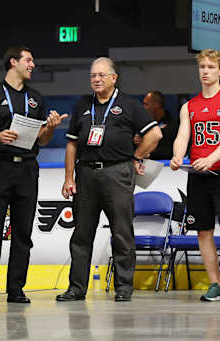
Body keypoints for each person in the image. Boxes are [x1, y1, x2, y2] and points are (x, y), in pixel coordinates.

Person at [56, 57, 162, 303]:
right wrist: (68, 177)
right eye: (93, 75)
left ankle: (123, 287)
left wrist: (136, 157)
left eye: (102, 75)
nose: (96, 79)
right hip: (86, 175)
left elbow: (155, 134)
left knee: (122, 233)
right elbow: (72, 143)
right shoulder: (82, 105)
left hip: (118, 173)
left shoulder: (129, 104)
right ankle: (76, 288)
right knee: (81, 234)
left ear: (114, 78)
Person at [0, 46, 67, 304]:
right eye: (29, 60)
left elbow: (42, 140)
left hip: (27, 168)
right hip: (0, 167)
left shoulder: (35, 98)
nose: (33, 65)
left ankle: (16, 290)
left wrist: (51, 129)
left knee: (23, 232)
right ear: (13, 62)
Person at [170, 49, 220, 303]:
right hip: (197, 175)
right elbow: (182, 136)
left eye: (211, 67)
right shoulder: (189, 106)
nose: (206, 71)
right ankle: (215, 284)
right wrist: (178, 156)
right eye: (202, 66)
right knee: (203, 231)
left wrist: (211, 159)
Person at [134, 90, 179, 160]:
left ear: (156, 105)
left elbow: (172, 150)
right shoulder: (143, 125)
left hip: (168, 168)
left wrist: (145, 149)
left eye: (146, 104)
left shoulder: (174, 125)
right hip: (144, 166)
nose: (143, 108)